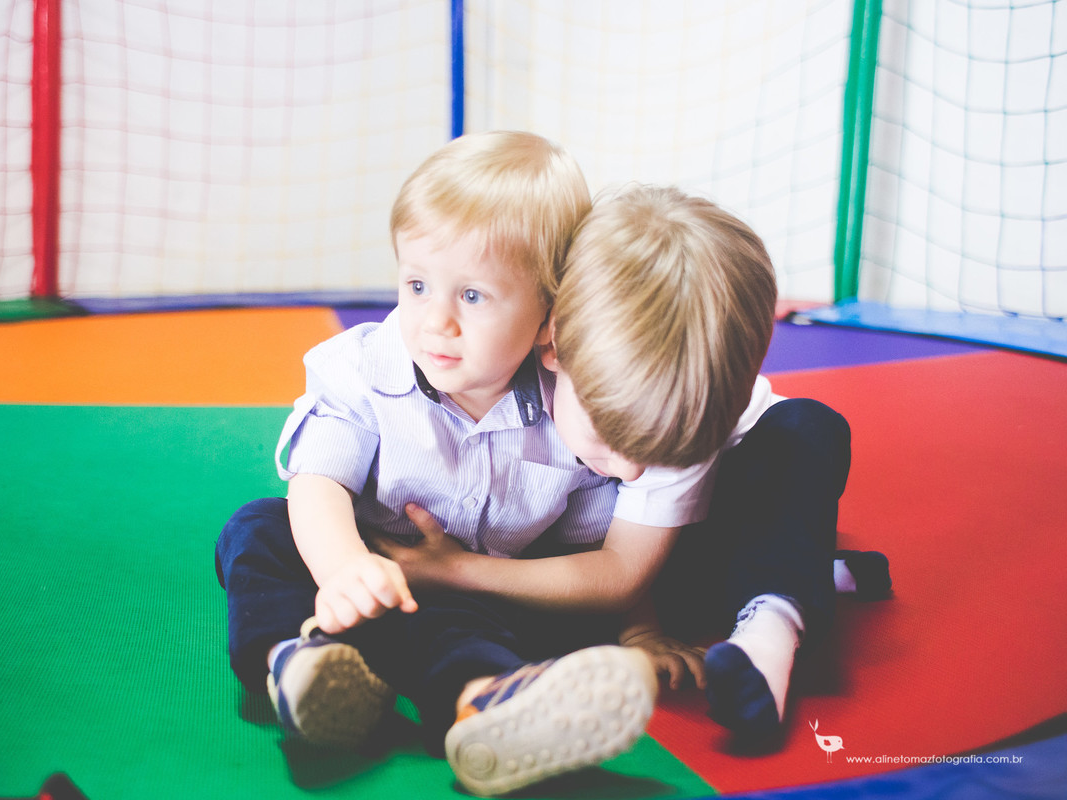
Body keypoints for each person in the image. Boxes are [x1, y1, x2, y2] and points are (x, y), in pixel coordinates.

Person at [214, 132, 659, 797]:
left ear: (548, 317)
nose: (435, 322)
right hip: (367, 567)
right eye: (417, 285)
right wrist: (345, 571)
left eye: (473, 297)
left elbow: (608, 543)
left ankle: (487, 704)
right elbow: (318, 480)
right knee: (257, 528)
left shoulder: (574, 409)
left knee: (464, 629)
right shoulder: (366, 369)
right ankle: (297, 660)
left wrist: (648, 618)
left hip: (490, 593)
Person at [374, 184, 891, 745]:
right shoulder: (529, 355)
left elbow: (621, 575)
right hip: (614, 565)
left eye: (662, 452)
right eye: (610, 440)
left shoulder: (685, 404)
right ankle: (803, 567)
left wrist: (458, 569)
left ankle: (772, 624)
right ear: (553, 347)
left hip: (663, 550)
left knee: (807, 429)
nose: (633, 470)